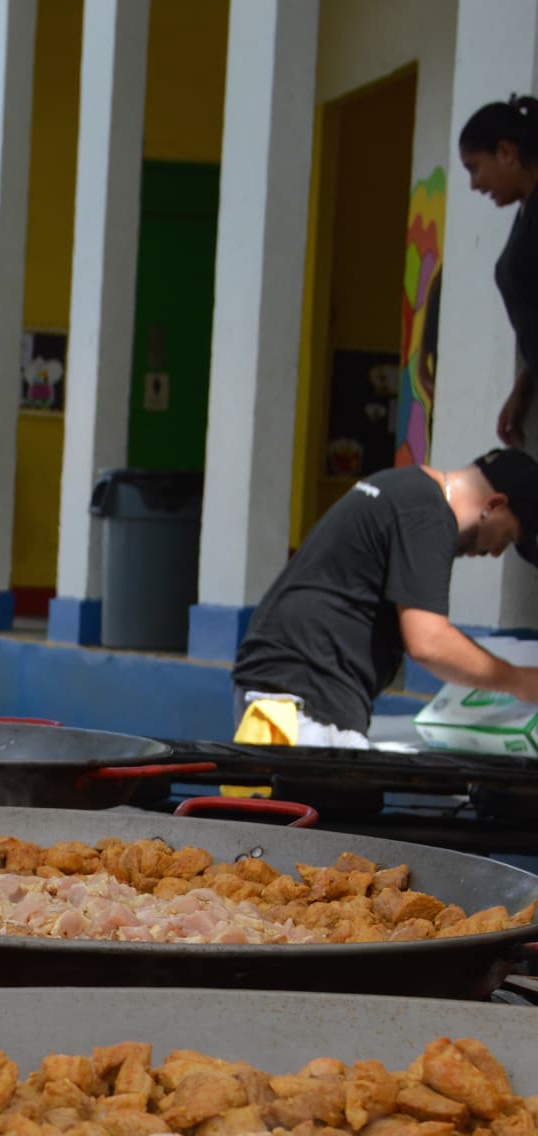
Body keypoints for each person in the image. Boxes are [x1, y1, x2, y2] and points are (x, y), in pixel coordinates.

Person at [232, 450, 538, 746]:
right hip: (308, 699)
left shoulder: (402, 487)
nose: (495, 552)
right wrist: (519, 681)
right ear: (495, 504)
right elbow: (430, 641)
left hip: (279, 691)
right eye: (507, 537)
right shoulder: (428, 514)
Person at [459, 95, 538, 447]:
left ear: (506, 152)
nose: (474, 184)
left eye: (474, 167)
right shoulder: (526, 212)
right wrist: (525, 384)